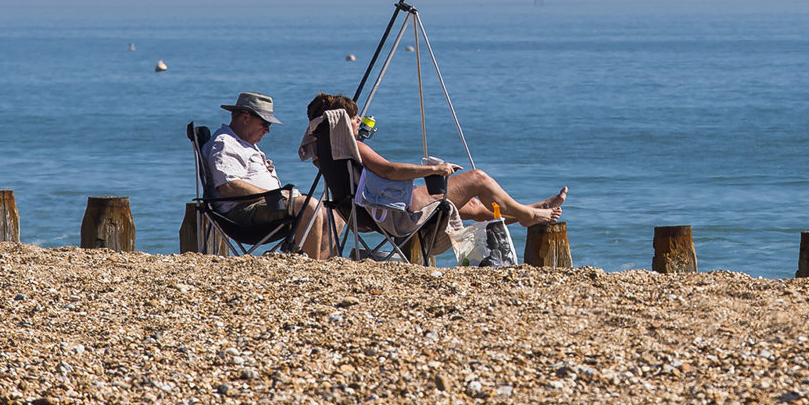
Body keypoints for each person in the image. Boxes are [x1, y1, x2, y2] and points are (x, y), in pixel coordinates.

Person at [304, 93, 566, 225]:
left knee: (473, 207)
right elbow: (390, 171)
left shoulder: (327, 152)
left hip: (363, 212)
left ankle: (528, 211)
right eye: (352, 117)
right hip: (392, 212)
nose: (358, 120)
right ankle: (529, 214)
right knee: (478, 178)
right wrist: (435, 170)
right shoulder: (354, 147)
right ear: (338, 123)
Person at [205, 91, 340, 259]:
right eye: (264, 123)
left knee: (336, 214)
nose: (267, 130)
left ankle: (320, 265)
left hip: (267, 206)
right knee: (310, 206)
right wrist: (275, 195)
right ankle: (312, 271)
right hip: (242, 214)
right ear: (245, 117)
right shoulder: (225, 143)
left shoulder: (245, 144)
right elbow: (229, 187)